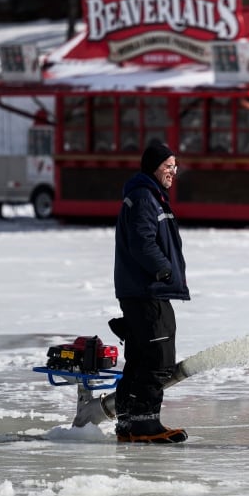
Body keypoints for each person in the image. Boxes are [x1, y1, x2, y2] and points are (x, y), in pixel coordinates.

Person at [72, 141, 190, 444]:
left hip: (144, 289)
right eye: (168, 166)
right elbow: (142, 241)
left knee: (141, 357)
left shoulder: (149, 196)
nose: (173, 172)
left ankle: (129, 422)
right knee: (158, 357)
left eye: (174, 167)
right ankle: (144, 422)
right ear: (153, 167)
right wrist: (161, 268)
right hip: (147, 288)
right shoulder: (144, 197)